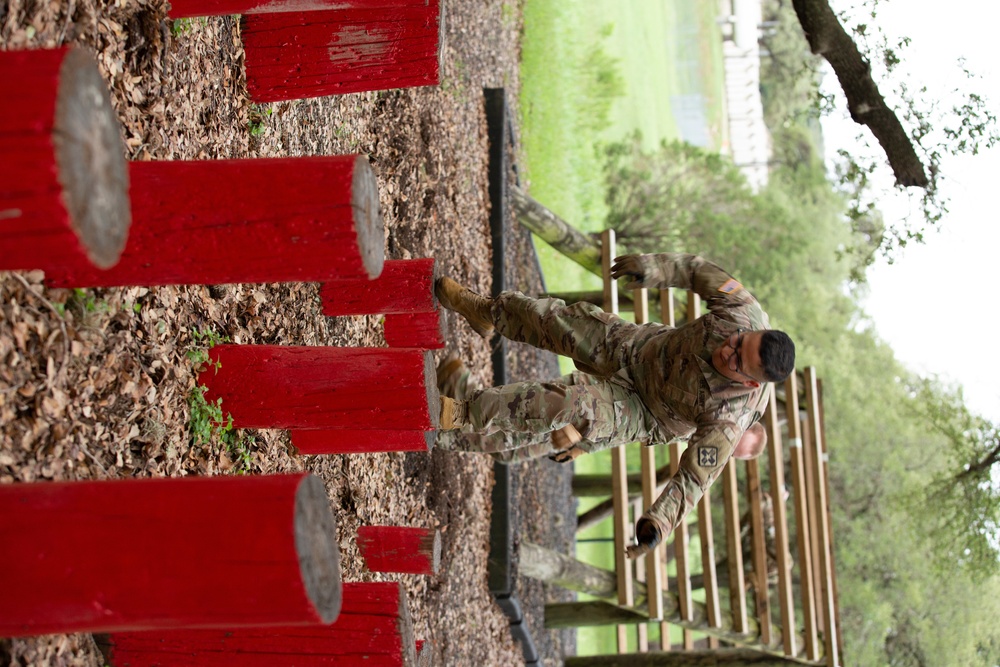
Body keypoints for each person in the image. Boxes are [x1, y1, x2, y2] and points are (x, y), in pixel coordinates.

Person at [434, 252, 795, 559]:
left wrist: (658, 524)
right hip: (640, 349)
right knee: (558, 320)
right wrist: (654, 268)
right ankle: (485, 312)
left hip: (642, 410)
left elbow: (692, 481)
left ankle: (464, 412)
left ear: (750, 381)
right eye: (739, 341)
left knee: (570, 403)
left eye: (736, 360)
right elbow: (696, 270)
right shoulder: (741, 310)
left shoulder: (729, 420)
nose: (727, 350)